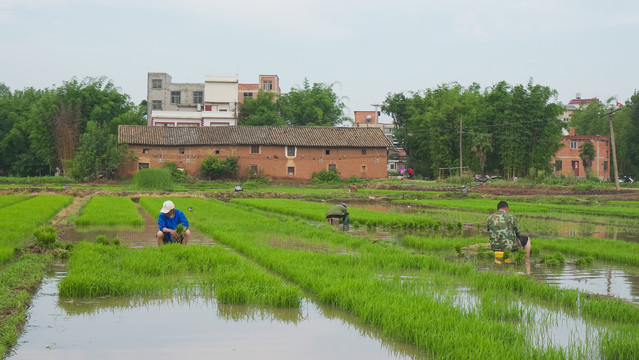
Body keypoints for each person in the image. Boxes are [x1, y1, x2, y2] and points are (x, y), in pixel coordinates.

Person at [486, 201, 531, 270]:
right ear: (506, 208)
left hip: (494, 246)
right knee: (527, 239)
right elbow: (518, 233)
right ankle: (527, 262)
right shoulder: (511, 217)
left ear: (498, 209)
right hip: (509, 247)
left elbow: (489, 231)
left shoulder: (489, 218)